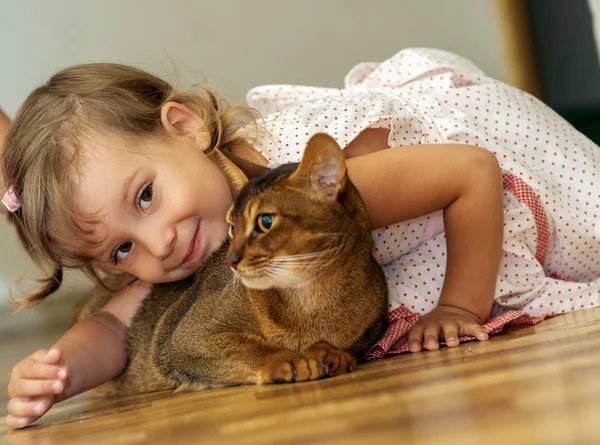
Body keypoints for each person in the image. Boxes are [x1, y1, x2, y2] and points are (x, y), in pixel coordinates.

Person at [3, 47, 597, 429]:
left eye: (145, 197)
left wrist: (458, 305)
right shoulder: (198, 238)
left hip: (515, 180)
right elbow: (113, 325)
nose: (157, 244)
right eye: (120, 249)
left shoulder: (310, 183)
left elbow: (472, 171)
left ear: (184, 127)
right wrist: (59, 373)